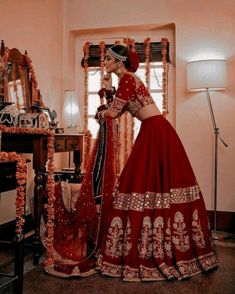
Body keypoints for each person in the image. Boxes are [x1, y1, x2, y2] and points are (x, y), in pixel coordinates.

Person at [44, 44, 218, 281]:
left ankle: (152, 246)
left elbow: (113, 113)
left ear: (119, 61)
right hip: (155, 131)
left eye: (108, 59)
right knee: (149, 186)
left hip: (155, 133)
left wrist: (104, 104)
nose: (105, 63)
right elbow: (118, 109)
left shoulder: (127, 79)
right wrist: (107, 92)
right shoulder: (126, 81)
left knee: (144, 184)